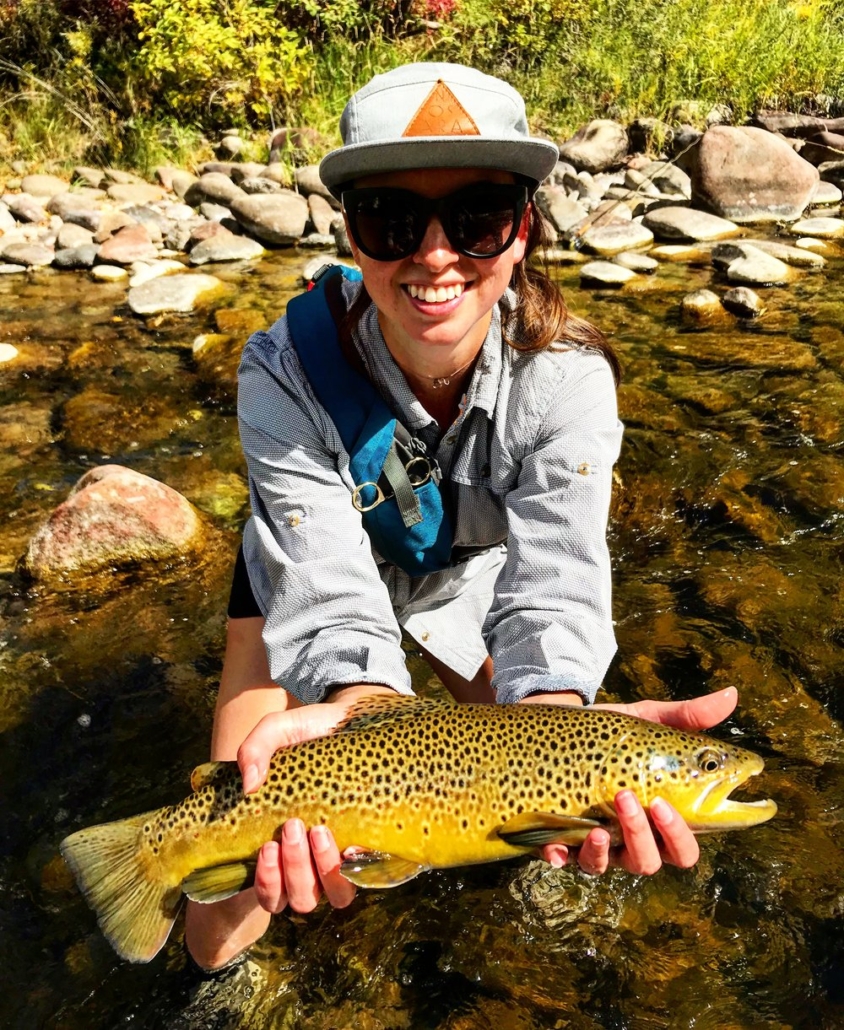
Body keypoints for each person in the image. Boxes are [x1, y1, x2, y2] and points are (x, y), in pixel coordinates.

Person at [184, 62, 739, 971]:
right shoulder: (281, 370)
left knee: (535, 816)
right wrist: (362, 704)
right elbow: (322, 584)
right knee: (223, 919)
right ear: (352, 235)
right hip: (303, 573)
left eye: (478, 215)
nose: (436, 255)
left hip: (455, 573)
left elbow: (553, 587)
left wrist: (564, 724)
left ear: (522, 231)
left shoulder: (566, 382)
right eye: (393, 219)